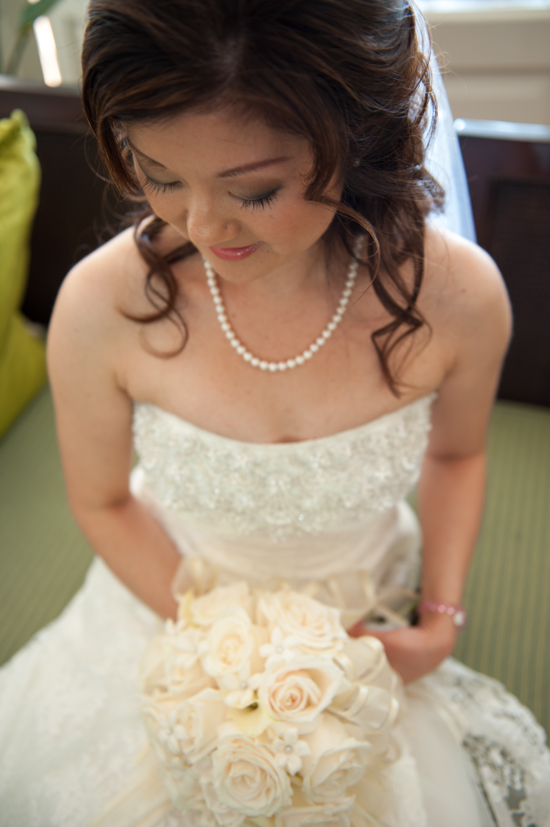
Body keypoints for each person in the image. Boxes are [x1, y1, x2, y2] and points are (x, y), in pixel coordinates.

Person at [0, 0, 549, 825]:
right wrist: (234, 662)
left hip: (366, 624)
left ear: (357, 137)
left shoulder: (457, 299)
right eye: (159, 175)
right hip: (168, 603)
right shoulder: (102, 304)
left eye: (253, 190)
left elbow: (457, 455)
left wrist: (439, 619)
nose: (198, 224)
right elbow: (104, 500)